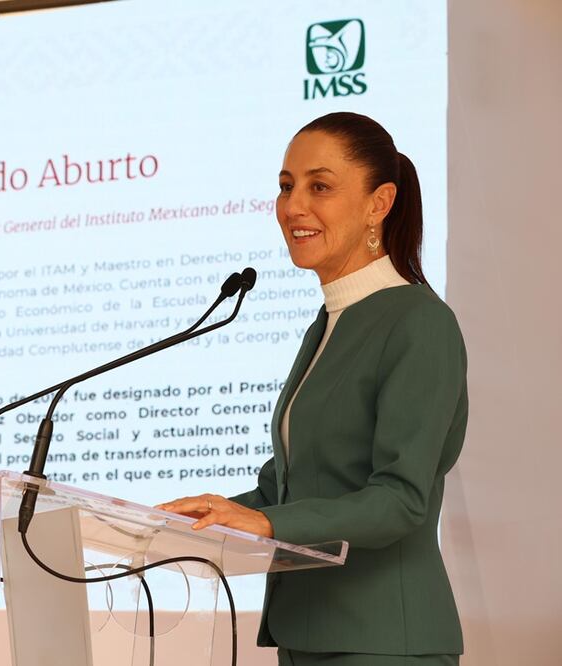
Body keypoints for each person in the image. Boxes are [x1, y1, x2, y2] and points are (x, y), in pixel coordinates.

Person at [158, 112, 466, 665]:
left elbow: (401, 500)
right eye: (285, 186)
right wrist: (212, 514)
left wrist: (268, 521)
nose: (293, 205)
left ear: (379, 203)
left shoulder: (419, 322)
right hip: (306, 639)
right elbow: (293, 489)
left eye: (319, 186)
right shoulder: (328, 325)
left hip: (382, 642)